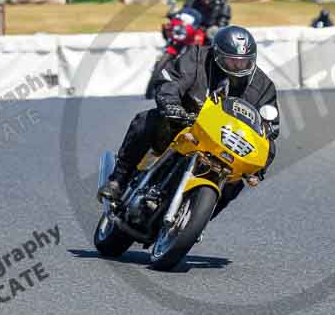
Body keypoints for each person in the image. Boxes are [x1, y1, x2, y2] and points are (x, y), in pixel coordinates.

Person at [98, 26, 279, 218]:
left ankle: (198, 219)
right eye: (232, 61)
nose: (238, 66)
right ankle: (118, 179)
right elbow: (172, 81)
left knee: (235, 184)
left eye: (244, 61)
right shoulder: (198, 58)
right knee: (147, 120)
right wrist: (172, 105)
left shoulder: (263, 86)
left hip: (225, 144)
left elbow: (269, 132)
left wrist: (258, 168)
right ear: (217, 55)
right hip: (184, 124)